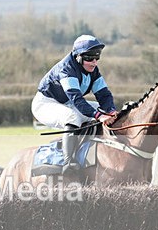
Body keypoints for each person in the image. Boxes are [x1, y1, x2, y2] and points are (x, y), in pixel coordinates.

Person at [31, 34, 118, 169]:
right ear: (78, 57)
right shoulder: (66, 69)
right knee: (72, 117)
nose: (94, 62)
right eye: (90, 58)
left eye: (97, 58)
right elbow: (76, 99)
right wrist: (99, 116)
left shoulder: (93, 70)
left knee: (101, 109)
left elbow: (104, 95)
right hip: (45, 104)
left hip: (67, 103)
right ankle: (68, 162)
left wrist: (111, 111)